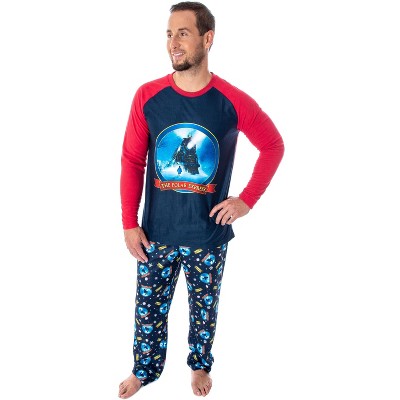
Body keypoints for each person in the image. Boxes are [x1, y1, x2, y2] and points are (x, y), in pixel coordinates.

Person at [118, 2, 284, 398]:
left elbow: (273, 146)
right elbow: (132, 160)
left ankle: (199, 365)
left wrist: (246, 200)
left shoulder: (231, 100)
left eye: (183, 33)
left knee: (204, 308)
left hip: (207, 234)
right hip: (155, 233)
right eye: (169, 34)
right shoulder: (148, 96)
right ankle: (144, 370)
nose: (173, 43)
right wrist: (129, 222)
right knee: (148, 309)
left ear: (207, 39)